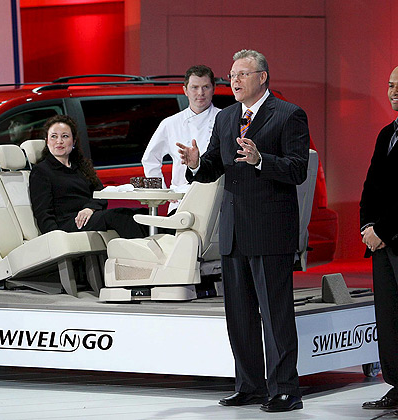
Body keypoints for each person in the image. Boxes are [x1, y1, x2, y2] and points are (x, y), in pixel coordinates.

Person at [178, 49, 309, 413]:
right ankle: (249, 386)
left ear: (262, 77)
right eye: (232, 75)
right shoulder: (227, 117)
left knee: (275, 316)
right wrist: (195, 164)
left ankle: (286, 390)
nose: (234, 81)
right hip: (233, 230)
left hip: (270, 230)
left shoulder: (289, 114)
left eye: (242, 74)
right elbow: (212, 167)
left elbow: (297, 169)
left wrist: (261, 160)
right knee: (240, 316)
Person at [29, 115, 147, 239]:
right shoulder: (41, 171)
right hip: (66, 223)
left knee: (141, 214)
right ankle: (143, 250)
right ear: (47, 141)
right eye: (54, 136)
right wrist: (55, 238)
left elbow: (101, 194)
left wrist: (90, 208)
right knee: (120, 215)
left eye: (65, 136)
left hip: (89, 217)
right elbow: (43, 213)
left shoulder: (81, 167)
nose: (59, 141)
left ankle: (157, 248)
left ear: (74, 141)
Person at [360, 65, 398, 410]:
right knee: (388, 318)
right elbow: (371, 186)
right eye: (389, 85)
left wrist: (381, 231)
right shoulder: (387, 133)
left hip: (393, 236)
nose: (393, 92)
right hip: (381, 244)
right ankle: (396, 386)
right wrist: (366, 228)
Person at [142, 65, 221, 214]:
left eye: (205, 87)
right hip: (181, 201)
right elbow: (150, 158)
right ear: (185, 90)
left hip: (217, 201)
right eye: (194, 87)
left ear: (213, 89)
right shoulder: (171, 123)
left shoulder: (225, 119)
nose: (200, 93)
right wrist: (163, 192)